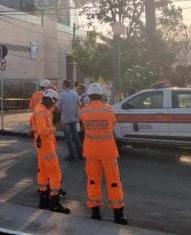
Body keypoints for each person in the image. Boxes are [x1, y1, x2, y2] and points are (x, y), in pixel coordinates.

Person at [80, 82, 128, 225]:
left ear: (89, 96)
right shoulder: (109, 111)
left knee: (93, 181)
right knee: (113, 182)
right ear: (102, 96)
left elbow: (83, 127)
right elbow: (112, 125)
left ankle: (95, 213)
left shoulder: (84, 111)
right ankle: (118, 215)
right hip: (108, 152)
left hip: (91, 152)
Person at [32, 88, 70, 214]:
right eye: (53, 103)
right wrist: (54, 128)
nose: (53, 105)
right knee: (55, 173)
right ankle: (55, 203)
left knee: (43, 173)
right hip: (46, 146)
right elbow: (43, 131)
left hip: (44, 145)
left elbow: (34, 124)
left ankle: (44, 201)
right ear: (49, 101)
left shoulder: (43, 109)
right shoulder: (41, 111)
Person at [58, 79, 82, 161]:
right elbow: (79, 105)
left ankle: (71, 155)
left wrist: (62, 115)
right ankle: (80, 154)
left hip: (65, 119)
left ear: (64, 85)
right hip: (74, 118)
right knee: (76, 136)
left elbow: (59, 108)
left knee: (68, 138)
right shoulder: (75, 94)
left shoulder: (61, 95)